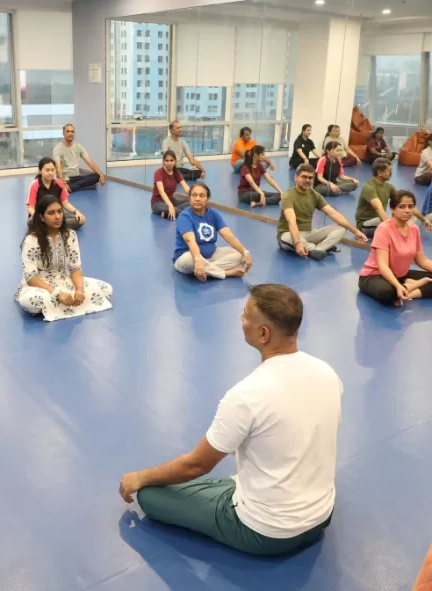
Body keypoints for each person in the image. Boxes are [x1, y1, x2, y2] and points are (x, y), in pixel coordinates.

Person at [119, 283, 342, 556]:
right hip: (321, 516)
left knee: (150, 495)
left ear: (263, 333)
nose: (241, 319)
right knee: (216, 480)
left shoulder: (246, 395)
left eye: (246, 315)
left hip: (265, 532)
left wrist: (139, 477)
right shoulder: (328, 373)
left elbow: (196, 465)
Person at [15, 195, 112, 322]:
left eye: (60, 211)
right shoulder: (32, 240)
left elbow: (75, 269)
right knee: (32, 301)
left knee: (106, 289)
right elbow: (31, 278)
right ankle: (57, 302)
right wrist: (57, 294)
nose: (57, 216)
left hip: (64, 280)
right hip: (40, 285)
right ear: (41, 217)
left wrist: (79, 290)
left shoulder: (69, 235)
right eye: (51, 213)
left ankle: (55, 306)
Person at [358, 190, 432, 306]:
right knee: (387, 292)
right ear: (393, 209)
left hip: (400, 275)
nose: (407, 210)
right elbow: (382, 266)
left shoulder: (414, 229)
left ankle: (408, 293)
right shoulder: (383, 229)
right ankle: (409, 286)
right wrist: (397, 285)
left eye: (410, 207)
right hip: (374, 276)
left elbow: (422, 260)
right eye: (402, 207)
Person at [277, 164, 367, 261]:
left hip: (309, 233)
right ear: (296, 177)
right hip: (289, 234)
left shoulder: (314, 195)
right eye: (304, 177)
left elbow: (333, 213)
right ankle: (315, 248)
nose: (307, 180)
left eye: (310, 178)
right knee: (289, 238)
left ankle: (318, 249)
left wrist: (356, 231)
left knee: (342, 228)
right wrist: (297, 243)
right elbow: (291, 222)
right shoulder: (288, 196)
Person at [173, 183, 252, 281]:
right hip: (188, 257)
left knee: (239, 255)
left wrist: (245, 252)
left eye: (201, 196)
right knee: (189, 259)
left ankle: (204, 270)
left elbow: (227, 234)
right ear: (189, 198)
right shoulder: (184, 216)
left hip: (211, 256)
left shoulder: (213, 213)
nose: (197, 199)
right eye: (194, 195)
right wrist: (198, 260)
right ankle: (225, 273)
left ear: (207, 200)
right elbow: (190, 241)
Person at [355, 158, 432, 239]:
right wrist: (393, 225)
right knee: (390, 220)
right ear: (380, 173)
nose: (391, 173)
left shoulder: (389, 186)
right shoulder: (369, 187)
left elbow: (404, 202)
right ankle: (400, 232)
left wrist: (424, 220)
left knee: (410, 215)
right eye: (389, 171)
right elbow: (378, 208)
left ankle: (402, 231)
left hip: (380, 221)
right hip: (365, 225)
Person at [26, 158, 84, 230]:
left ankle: (49, 227)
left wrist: (76, 212)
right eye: (47, 170)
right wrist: (38, 217)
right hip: (40, 217)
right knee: (30, 222)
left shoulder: (59, 183)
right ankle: (56, 226)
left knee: (79, 220)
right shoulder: (34, 185)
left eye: (52, 170)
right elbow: (30, 207)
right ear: (40, 171)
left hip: (56, 215)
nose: (50, 173)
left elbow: (65, 203)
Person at [54, 124, 105, 193]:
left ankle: (71, 188)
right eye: (68, 131)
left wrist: (101, 174)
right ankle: (84, 186)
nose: (70, 133)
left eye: (72, 132)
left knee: (96, 176)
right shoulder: (57, 149)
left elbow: (90, 162)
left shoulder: (79, 147)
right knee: (59, 185)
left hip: (77, 177)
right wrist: (63, 183)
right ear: (63, 133)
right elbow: (58, 168)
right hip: (66, 179)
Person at [151, 150, 191, 220]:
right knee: (178, 211)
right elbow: (161, 192)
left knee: (191, 204)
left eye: (171, 160)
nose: (169, 163)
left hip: (171, 200)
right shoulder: (158, 173)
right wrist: (170, 205)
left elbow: (186, 187)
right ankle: (173, 211)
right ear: (163, 161)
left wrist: (195, 197)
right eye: (167, 160)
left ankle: (166, 213)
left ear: (175, 161)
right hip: (157, 203)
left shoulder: (176, 173)